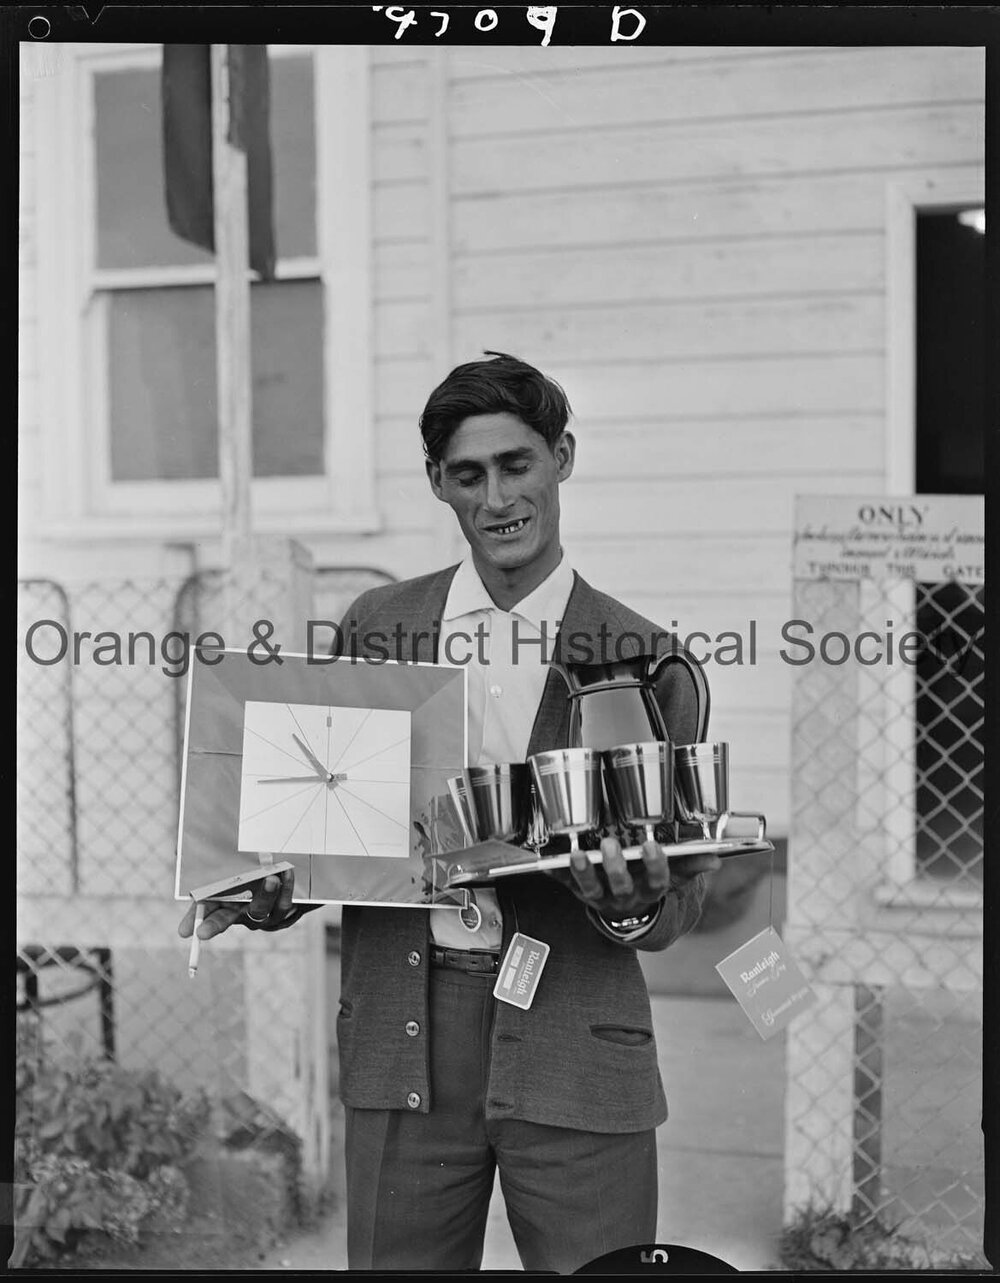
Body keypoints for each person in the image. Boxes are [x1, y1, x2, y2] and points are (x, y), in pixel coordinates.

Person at [179, 352, 722, 1273]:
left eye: (518, 464)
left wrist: (631, 901)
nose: (497, 495)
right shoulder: (380, 625)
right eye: (468, 474)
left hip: (578, 1042)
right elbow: (334, 821)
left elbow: (678, 904)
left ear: (562, 458)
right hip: (405, 1037)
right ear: (438, 483)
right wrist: (276, 887)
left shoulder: (648, 655)